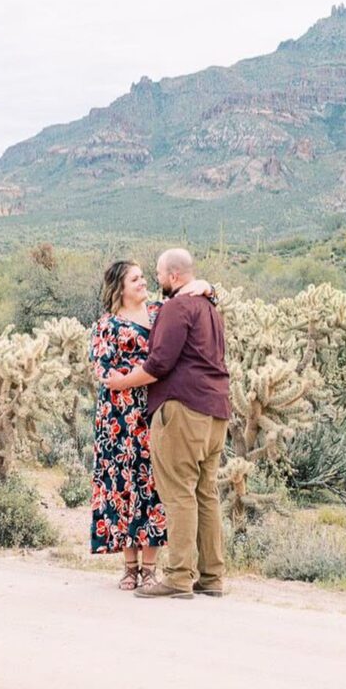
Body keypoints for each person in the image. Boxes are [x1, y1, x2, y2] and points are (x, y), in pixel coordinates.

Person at [104, 248, 230, 599]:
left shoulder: (176, 308)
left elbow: (158, 364)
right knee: (206, 493)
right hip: (216, 409)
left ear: (173, 276)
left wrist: (122, 382)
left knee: (178, 494)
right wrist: (209, 287)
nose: (155, 279)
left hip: (183, 409)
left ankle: (177, 577)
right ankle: (212, 576)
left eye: (158, 274)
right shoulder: (209, 307)